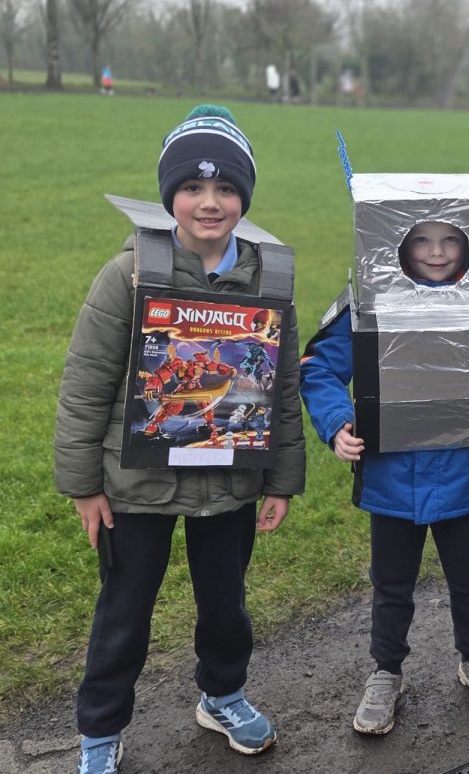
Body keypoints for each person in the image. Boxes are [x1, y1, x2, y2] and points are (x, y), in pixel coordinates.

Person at [55, 105, 305, 773]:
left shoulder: (270, 279)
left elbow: (281, 390)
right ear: (170, 195)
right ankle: (100, 731)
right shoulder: (128, 274)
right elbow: (85, 386)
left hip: (230, 481)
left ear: (244, 196)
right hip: (135, 485)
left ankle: (222, 696)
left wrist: (281, 479)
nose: (209, 202)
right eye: (192, 187)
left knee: (226, 607)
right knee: (124, 613)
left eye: (225, 188)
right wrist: (83, 485)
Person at [300, 220, 469, 738]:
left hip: (465, 475)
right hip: (390, 479)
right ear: (399, 244)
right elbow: (318, 368)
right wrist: (337, 423)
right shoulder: (366, 305)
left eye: (450, 239)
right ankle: (386, 671)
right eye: (422, 240)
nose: (437, 252)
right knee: (391, 585)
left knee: (468, 578)